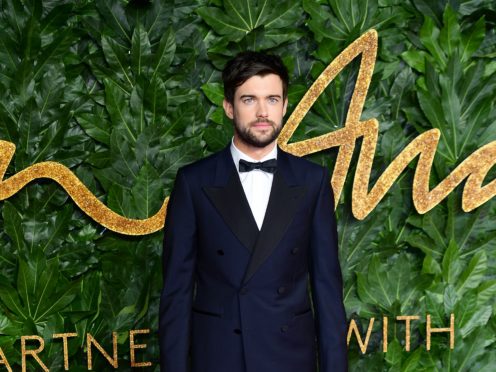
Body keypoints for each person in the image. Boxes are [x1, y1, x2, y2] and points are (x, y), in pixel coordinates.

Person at [159, 51, 347, 372]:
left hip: (290, 358)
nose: (263, 112)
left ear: (285, 106)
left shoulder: (312, 181)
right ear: (229, 107)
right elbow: (176, 295)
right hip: (220, 359)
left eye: (272, 99)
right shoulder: (194, 182)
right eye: (249, 100)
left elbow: (328, 294)